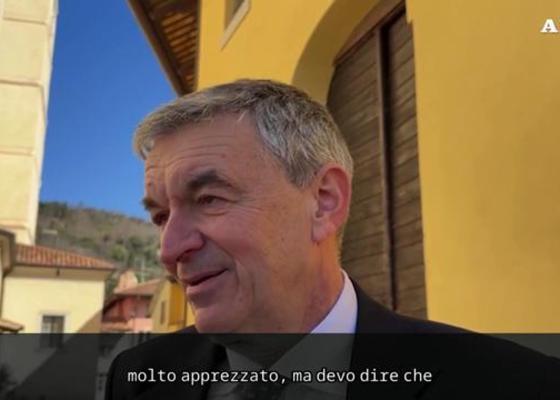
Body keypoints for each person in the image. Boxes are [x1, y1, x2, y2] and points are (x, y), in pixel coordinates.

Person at [105, 80, 560, 400]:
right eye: (160, 216)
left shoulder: (516, 385)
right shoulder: (136, 378)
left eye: (209, 199)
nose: (169, 250)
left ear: (324, 202)